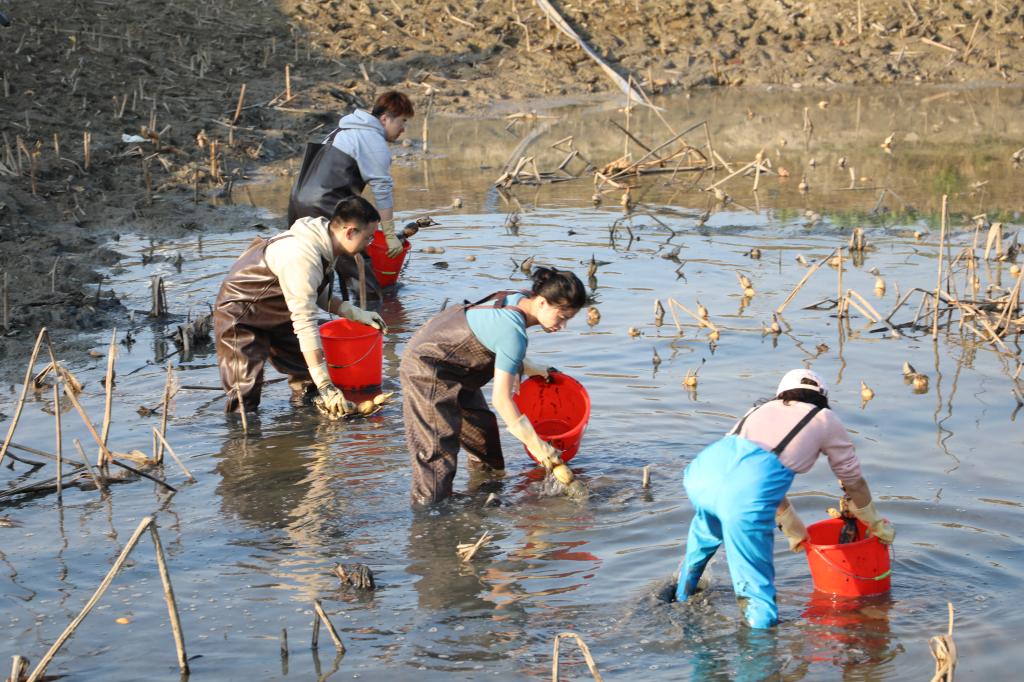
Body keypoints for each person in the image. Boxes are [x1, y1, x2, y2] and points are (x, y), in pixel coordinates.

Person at [675, 368, 895, 628]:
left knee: (703, 540)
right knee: (755, 587)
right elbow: (852, 480)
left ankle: (680, 598)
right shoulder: (824, 418)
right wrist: (874, 522)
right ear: (822, 397)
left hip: (701, 475)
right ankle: (760, 643)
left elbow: (745, 474)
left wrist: (792, 526)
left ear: (781, 393)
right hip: (743, 494)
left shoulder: (757, 410)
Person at [400, 267, 587, 505]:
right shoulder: (513, 333)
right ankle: (430, 515)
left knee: (483, 434)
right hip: (427, 368)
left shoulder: (520, 297)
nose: (563, 326)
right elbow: (501, 400)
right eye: (562, 317)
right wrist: (541, 449)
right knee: (438, 451)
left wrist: (530, 368)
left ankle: (484, 495)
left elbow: (494, 340)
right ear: (541, 302)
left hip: (457, 367)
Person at [214, 196, 386, 415]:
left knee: (306, 379)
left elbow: (312, 290)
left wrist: (354, 313)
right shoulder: (302, 256)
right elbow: (305, 322)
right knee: (244, 399)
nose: (369, 245)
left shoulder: (326, 241)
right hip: (242, 315)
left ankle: (306, 424)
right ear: (350, 232)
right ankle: (243, 434)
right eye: (368, 238)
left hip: (278, 312)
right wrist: (325, 383)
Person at [288, 91, 414, 299]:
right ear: (384, 119)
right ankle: (374, 312)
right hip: (326, 203)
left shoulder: (342, 130)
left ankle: (326, 312)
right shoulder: (374, 141)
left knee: (308, 268)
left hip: (297, 201)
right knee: (361, 271)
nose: (403, 129)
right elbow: (382, 191)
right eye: (402, 121)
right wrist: (390, 236)